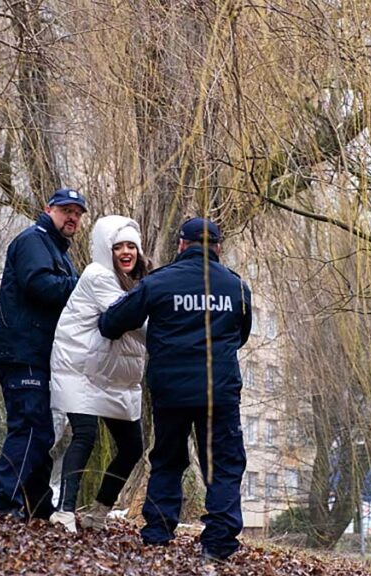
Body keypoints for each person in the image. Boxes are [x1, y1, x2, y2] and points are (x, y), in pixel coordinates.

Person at [99, 217, 252, 561]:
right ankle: (219, 543)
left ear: (181, 245)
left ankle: (157, 535)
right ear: (217, 247)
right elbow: (240, 335)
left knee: (167, 459)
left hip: (171, 390)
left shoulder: (159, 282)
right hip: (219, 391)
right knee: (224, 464)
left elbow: (113, 323)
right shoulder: (237, 288)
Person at [0, 188, 87, 519]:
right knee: (29, 425)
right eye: (65, 210)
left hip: (35, 352)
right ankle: (3, 502)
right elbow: (40, 286)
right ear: (49, 210)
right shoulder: (34, 241)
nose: (72, 217)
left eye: (78, 213)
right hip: (20, 350)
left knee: (40, 429)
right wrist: (87, 287)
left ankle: (37, 503)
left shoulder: (57, 249)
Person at [48, 216, 150, 533]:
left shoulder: (138, 282)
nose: (125, 252)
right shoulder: (98, 276)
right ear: (107, 250)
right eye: (118, 246)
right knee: (85, 434)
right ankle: (64, 511)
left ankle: (99, 512)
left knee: (132, 446)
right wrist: (171, 334)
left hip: (111, 378)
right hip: (80, 369)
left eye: (131, 246)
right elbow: (128, 319)